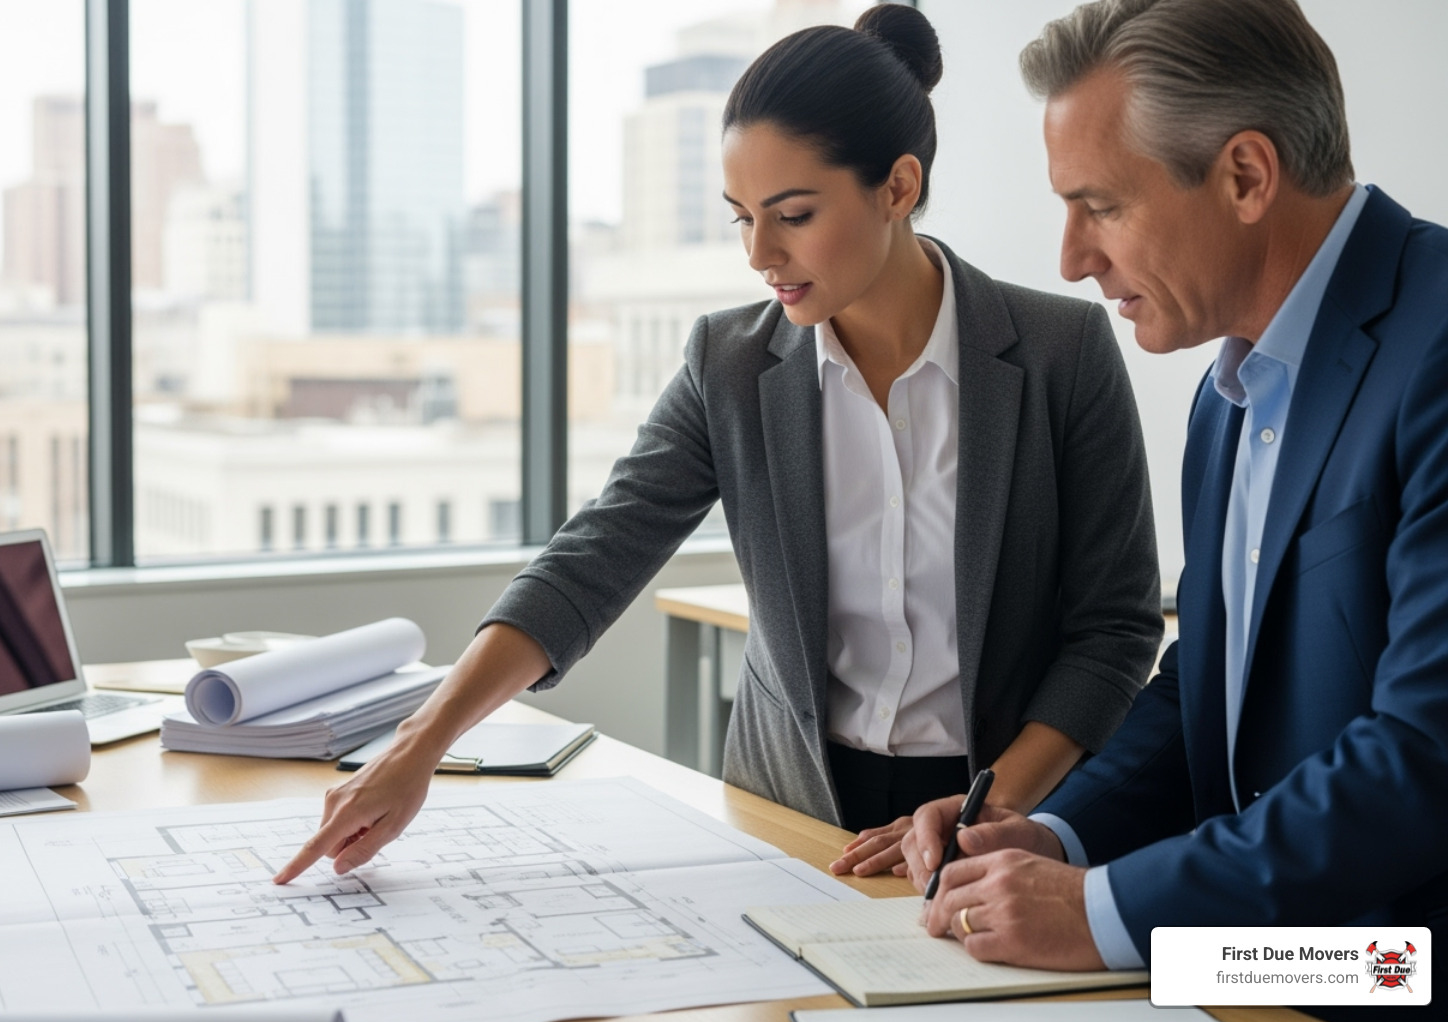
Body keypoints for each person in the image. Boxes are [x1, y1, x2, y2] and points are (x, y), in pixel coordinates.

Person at [275, 4, 1162, 886]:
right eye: (742, 217)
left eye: (794, 214)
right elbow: (593, 559)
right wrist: (419, 744)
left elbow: (1112, 632)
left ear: (897, 186)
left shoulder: (1061, 356)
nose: (760, 253)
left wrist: (987, 805)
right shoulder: (730, 366)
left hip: (1007, 822)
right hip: (793, 814)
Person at [900, 0, 1448, 1012]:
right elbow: (1207, 685)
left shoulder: (1437, 346)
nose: (1071, 257)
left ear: (1245, 175)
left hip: (1396, 971)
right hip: (1255, 965)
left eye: (1100, 205)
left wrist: (1104, 909)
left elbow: (1424, 758)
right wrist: (1056, 835)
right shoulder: (1227, 394)